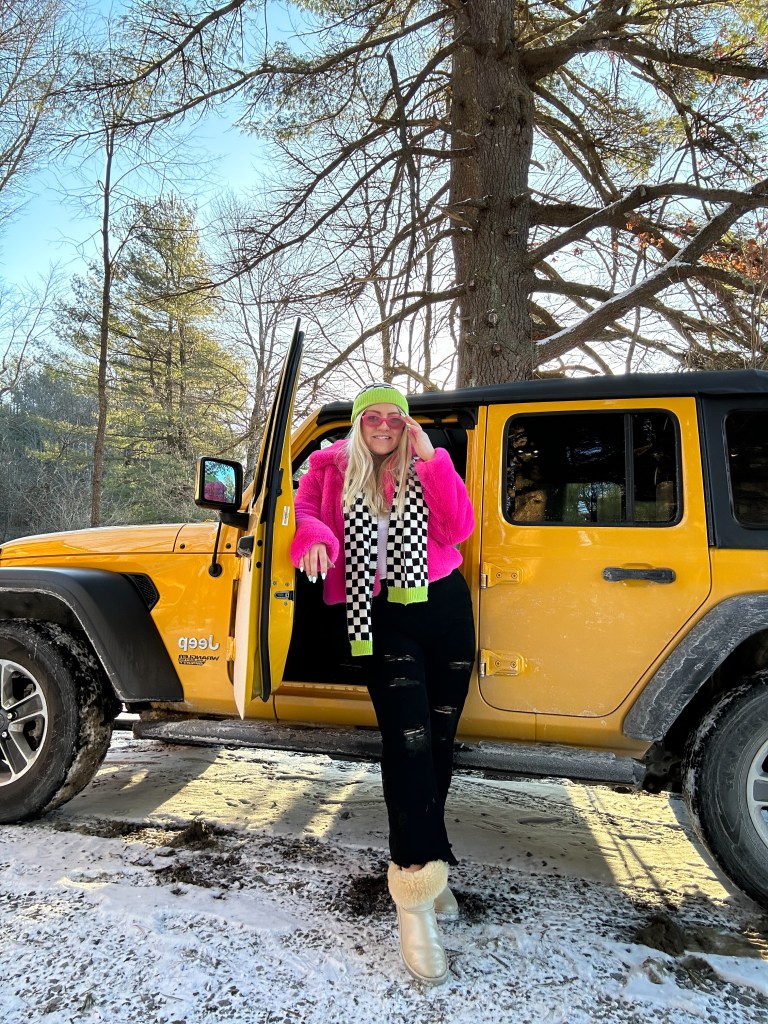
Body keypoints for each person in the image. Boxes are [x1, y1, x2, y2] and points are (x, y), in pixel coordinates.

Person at [290, 383, 475, 985]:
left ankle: (432, 869)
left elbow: (458, 527)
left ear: (407, 425)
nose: (384, 425)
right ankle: (414, 897)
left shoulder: (425, 463)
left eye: (395, 417)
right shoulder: (329, 467)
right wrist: (316, 539)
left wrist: (431, 458)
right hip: (380, 614)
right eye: (373, 416)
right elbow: (308, 516)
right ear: (359, 422)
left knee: (439, 746)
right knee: (408, 744)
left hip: (444, 608)